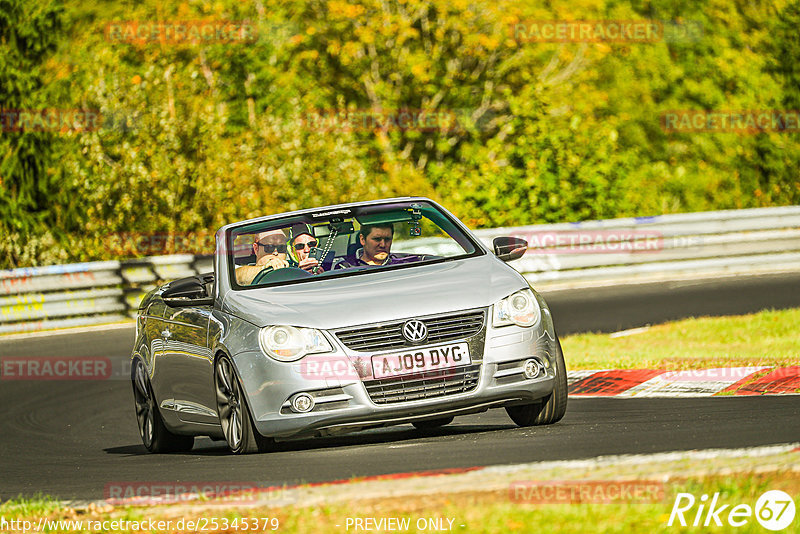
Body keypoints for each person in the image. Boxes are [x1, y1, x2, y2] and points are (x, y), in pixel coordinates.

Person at [334, 223, 421, 268]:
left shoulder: (404, 263)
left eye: (387, 239)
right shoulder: (345, 266)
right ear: (362, 240)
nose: (383, 245)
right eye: (377, 239)